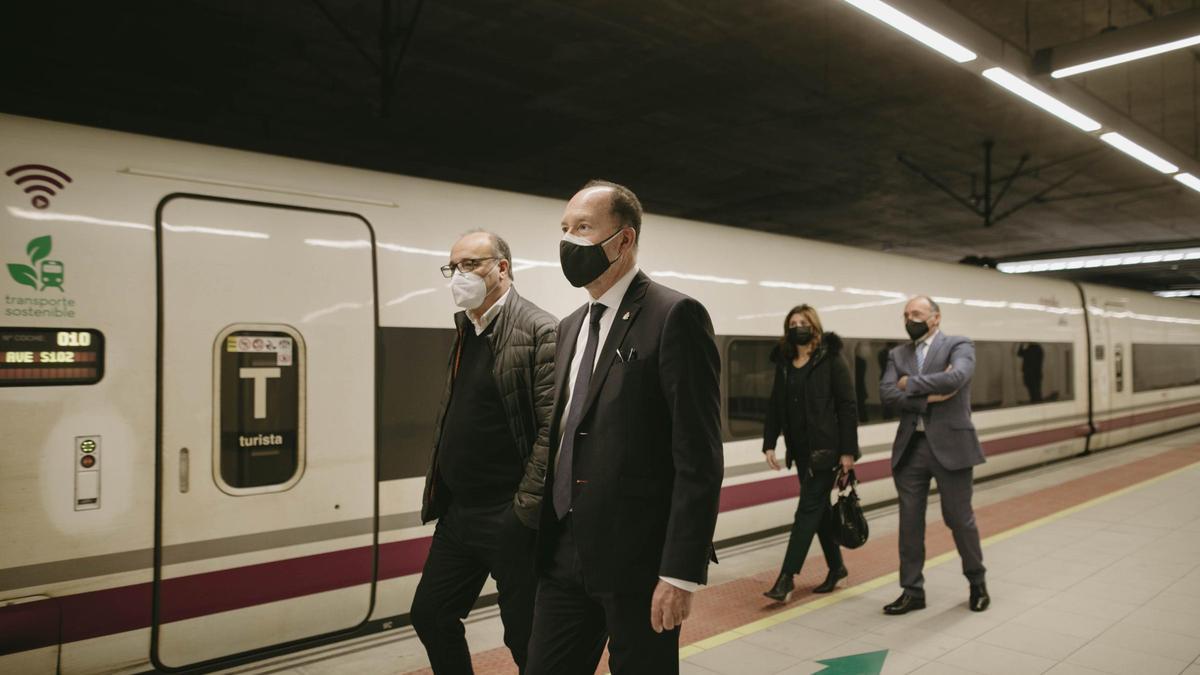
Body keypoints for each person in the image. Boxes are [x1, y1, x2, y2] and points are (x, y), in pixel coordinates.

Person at [526, 180, 723, 675]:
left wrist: (680, 572)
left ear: (624, 239)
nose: (570, 241)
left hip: (640, 563)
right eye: (565, 229)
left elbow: (698, 456)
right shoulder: (569, 326)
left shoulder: (673, 316)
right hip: (564, 552)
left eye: (585, 228)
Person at [412, 230, 558, 674]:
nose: (460, 274)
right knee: (431, 614)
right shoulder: (467, 328)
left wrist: (523, 512)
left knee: (525, 636)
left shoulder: (540, 330)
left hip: (509, 514)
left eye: (472, 264)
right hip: (461, 514)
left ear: (502, 268)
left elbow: (552, 430)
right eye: (453, 266)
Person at [879, 296, 989, 615]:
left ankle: (977, 582)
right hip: (911, 448)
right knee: (909, 524)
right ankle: (912, 591)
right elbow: (887, 394)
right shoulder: (897, 353)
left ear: (936, 318)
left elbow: (958, 378)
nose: (909, 318)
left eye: (917, 313)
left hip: (952, 447)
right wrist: (929, 397)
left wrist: (908, 384)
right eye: (905, 314)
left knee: (959, 519)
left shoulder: (959, 344)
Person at [761, 305, 859, 602]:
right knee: (819, 511)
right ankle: (837, 568)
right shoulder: (786, 362)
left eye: (803, 322)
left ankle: (786, 578)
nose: (797, 326)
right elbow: (776, 404)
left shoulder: (830, 358)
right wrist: (769, 443)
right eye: (792, 323)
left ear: (814, 326)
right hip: (800, 452)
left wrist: (848, 451)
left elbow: (847, 405)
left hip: (826, 452)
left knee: (806, 510)